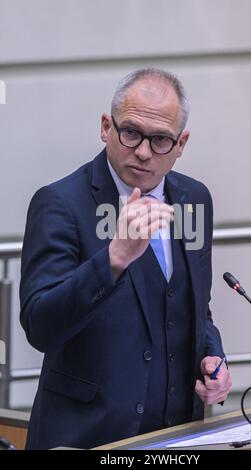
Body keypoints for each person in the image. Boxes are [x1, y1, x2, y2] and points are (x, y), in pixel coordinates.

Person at [20, 68, 232, 450]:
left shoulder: (195, 199)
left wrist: (212, 356)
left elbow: (197, 306)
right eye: (131, 132)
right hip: (86, 437)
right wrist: (113, 259)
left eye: (161, 139)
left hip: (177, 438)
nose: (144, 151)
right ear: (106, 127)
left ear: (181, 144)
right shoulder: (60, 203)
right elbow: (40, 325)